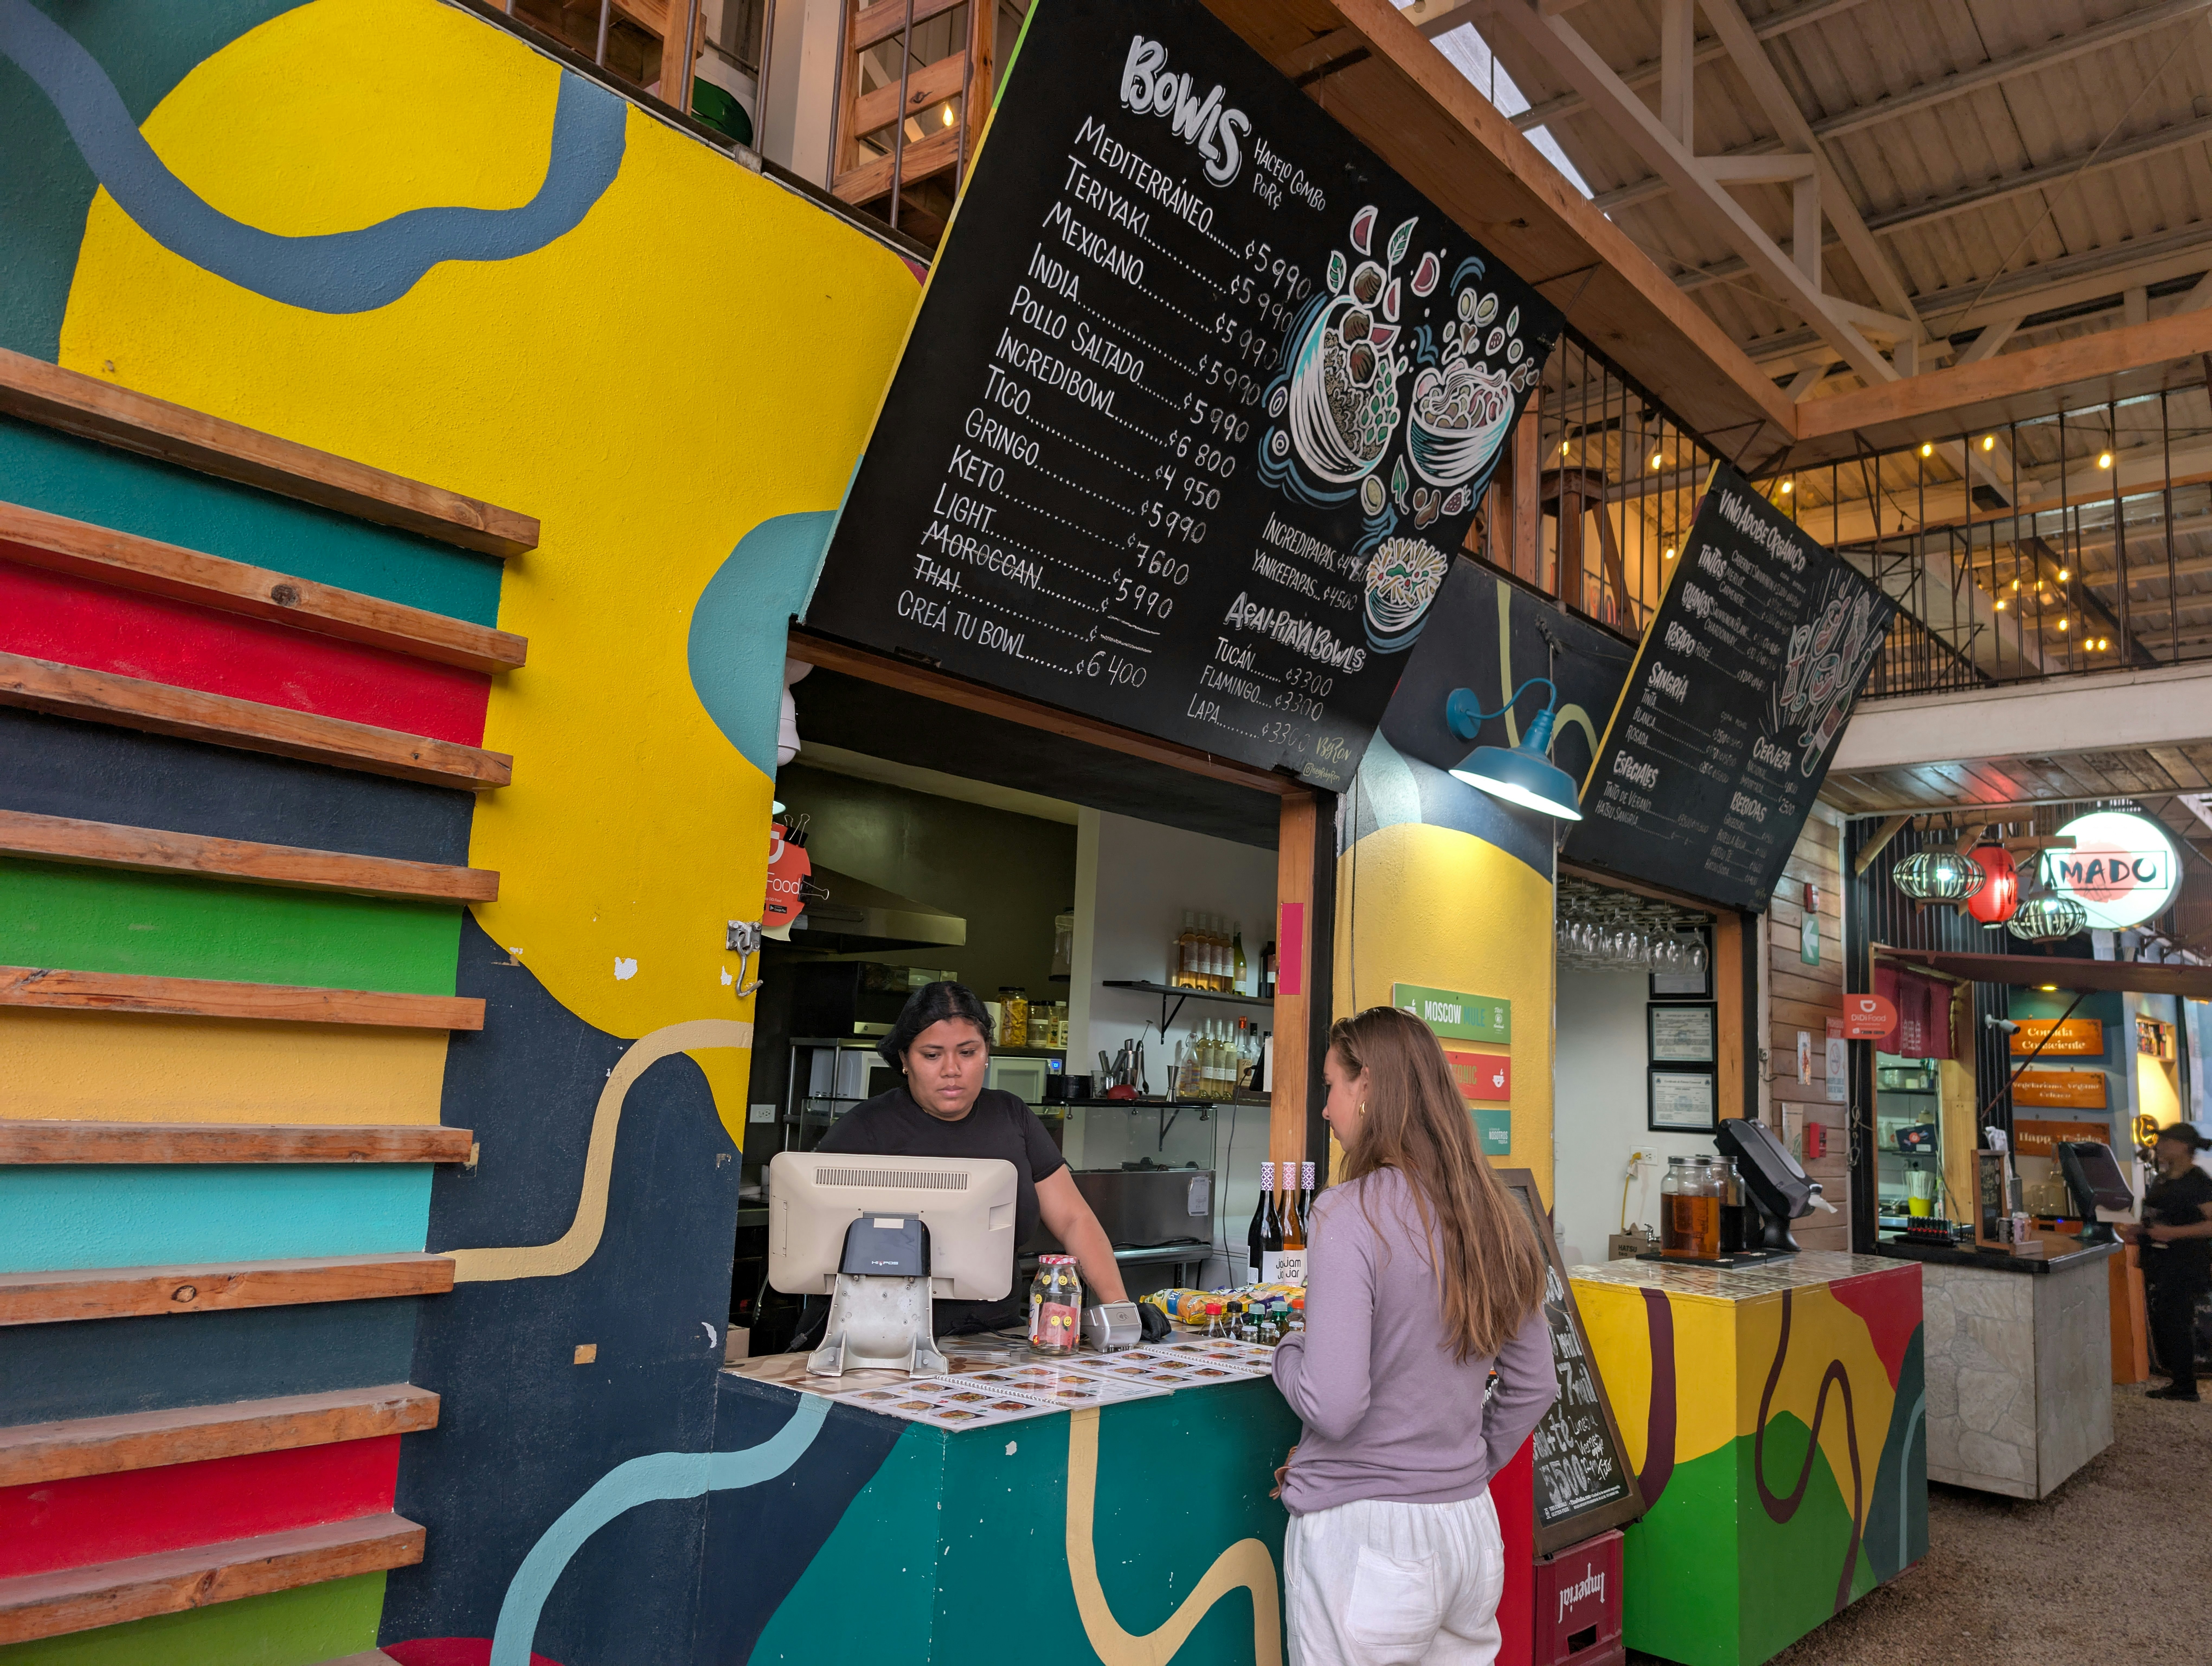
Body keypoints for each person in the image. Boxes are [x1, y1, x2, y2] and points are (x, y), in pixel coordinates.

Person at [1272, 1006, 1557, 1666]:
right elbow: (1536, 1382)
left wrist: (1288, 1350)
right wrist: (1466, 1464)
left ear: (1367, 1086)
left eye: (1330, 1085)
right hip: (1468, 1529)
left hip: (1365, 1536)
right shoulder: (1493, 1215)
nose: (1324, 1108)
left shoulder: (1345, 1214)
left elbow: (1335, 1405)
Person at [797, 980, 1147, 1341]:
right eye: (932, 1056)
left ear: (987, 1053)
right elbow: (814, 1243)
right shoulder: (864, 1129)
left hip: (995, 1337)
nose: (952, 1069)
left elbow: (1075, 1220)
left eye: (968, 1053)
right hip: (877, 1339)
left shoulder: (1012, 1116)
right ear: (904, 1060)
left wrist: (1119, 1312)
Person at [2127, 1122, 2212, 1402]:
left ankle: (2185, 1387)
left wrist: (2173, 1234)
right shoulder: (2164, 1179)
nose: (2159, 1146)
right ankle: (2179, 1381)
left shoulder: (2197, 1181)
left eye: (2165, 1141)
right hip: (2161, 1261)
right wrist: (2140, 1231)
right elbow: (2158, 1216)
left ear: (2182, 1147)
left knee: (2178, 1322)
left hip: (2185, 1263)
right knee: (2166, 1321)